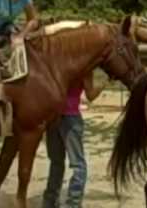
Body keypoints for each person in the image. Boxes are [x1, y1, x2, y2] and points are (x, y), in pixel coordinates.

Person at [42, 71, 102, 208]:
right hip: (71, 118)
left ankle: (49, 201)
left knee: (56, 162)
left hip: (53, 116)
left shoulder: (57, 61)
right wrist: (104, 84)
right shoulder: (84, 68)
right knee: (79, 165)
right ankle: (73, 203)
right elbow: (90, 95)